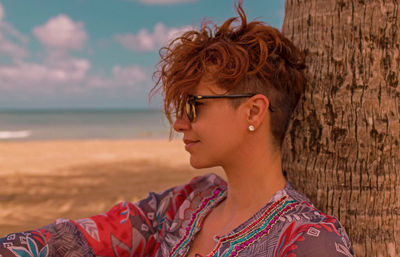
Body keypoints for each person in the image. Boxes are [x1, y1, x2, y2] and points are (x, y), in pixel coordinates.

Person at [0, 2, 354, 256]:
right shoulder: (188, 203)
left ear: (254, 110)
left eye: (194, 106)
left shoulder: (309, 240)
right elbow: (72, 240)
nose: (179, 122)